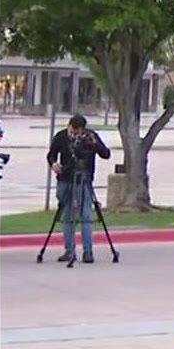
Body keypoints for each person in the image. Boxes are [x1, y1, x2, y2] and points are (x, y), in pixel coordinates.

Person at [46, 113, 109, 263]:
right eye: (73, 132)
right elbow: (51, 155)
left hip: (84, 180)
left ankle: (88, 252)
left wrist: (95, 144)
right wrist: (54, 164)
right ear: (69, 127)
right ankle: (69, 250)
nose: (75, 136)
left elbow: (106, 154)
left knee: (86, 216)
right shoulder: (61, 136)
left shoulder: (90, 137)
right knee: (67, 216)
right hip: (65, 179)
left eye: (78, 133)